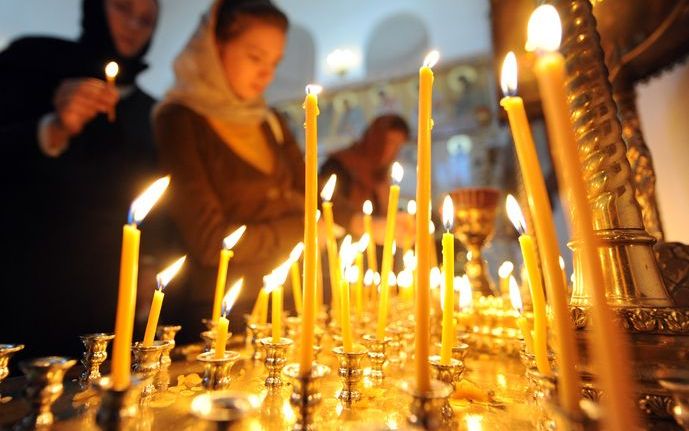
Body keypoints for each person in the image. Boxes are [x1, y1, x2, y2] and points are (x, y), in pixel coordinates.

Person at [0, 0, 162, 359]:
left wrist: (152, 261)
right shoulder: (31, 63)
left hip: (107, 293)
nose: (134, 26)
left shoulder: (150, 111)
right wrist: (52, 128)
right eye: (123, 8)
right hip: (25, 282)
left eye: (147, 20)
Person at [155, 0, 305, 337]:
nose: (267, 74)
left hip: (289, 295)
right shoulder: (180, 120)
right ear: (215, 47)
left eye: (274, 62)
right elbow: (210, 241)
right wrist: (300, 228)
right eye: (255, 57)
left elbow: (312, 195)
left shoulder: (269, 121)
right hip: (221, 313)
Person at [319, 114, 414, 245]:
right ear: (375, 139)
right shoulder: (339, 166)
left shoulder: (382, 175)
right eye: (390, 142)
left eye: (398, 145)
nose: (393, 151)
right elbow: (331, 211)